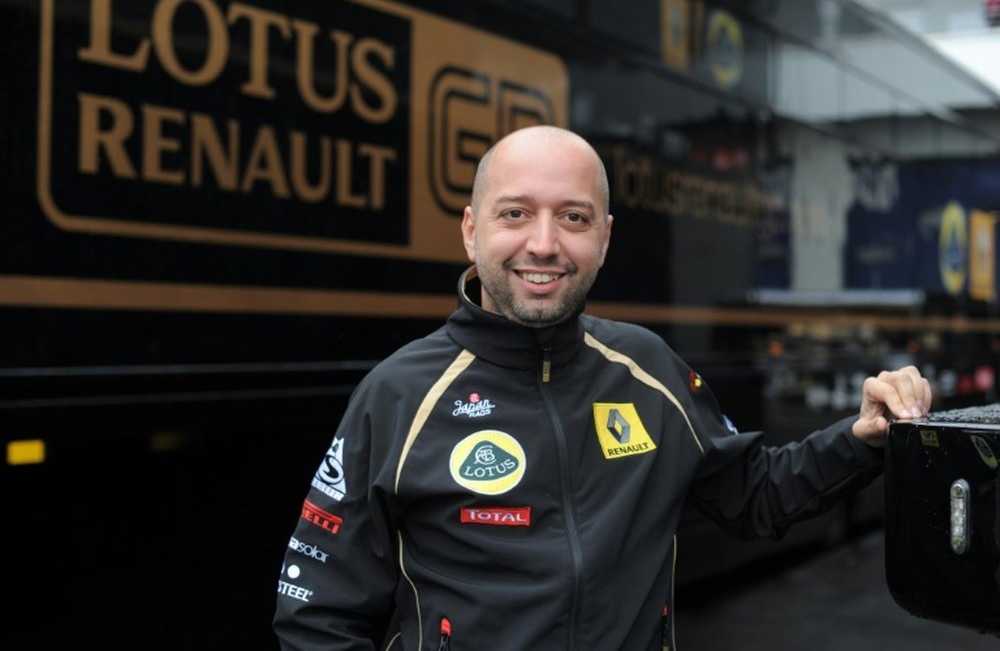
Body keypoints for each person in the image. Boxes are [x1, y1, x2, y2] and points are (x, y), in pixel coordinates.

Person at [273, 125, 932, 650]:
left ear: (606, 238)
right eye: (514, 213)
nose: (544, 243)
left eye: (575, 218)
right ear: (472, 232)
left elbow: (756, 494)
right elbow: (316, 616)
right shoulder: (396, 395)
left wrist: (861, 436)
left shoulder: (647, 367)